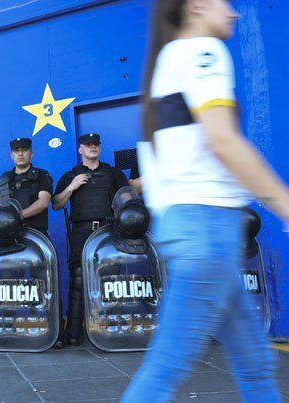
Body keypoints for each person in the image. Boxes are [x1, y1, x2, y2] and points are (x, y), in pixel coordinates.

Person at [122, 0, 287, 400]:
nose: (233, 13)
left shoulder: (169, 60)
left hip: (197, 229)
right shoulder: (203, 52)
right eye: (224, 3)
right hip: (207, 230)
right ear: (196, 6)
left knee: (254, 362)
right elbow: (223, 139)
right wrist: (284, 203)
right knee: (166, 367)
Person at [52, 133, 129, 346]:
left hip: (108, 231)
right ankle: (73, 332)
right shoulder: (71, 175)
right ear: (81, 150)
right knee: (78, 280)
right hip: (82, 232)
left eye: (95, 144)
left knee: (112, 278)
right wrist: (72, 186)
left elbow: (127, 198)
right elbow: (56, 204)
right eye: (88, 145)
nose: (92, 147)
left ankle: (115, 327)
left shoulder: (113, 173)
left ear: (99, 148)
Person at [0, 137, 62, 347]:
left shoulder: (41, 175)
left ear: (31, 153)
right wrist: (3, 219)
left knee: (44, 282)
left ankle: (53, 331)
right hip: (8, 239)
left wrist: (18, 216)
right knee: (7, 285)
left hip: (36, 236)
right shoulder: (3, 179)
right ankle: (8, 328)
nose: (20, 153)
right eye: (16, 150)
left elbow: (43, 202)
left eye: (24, 150)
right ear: (11, 155)